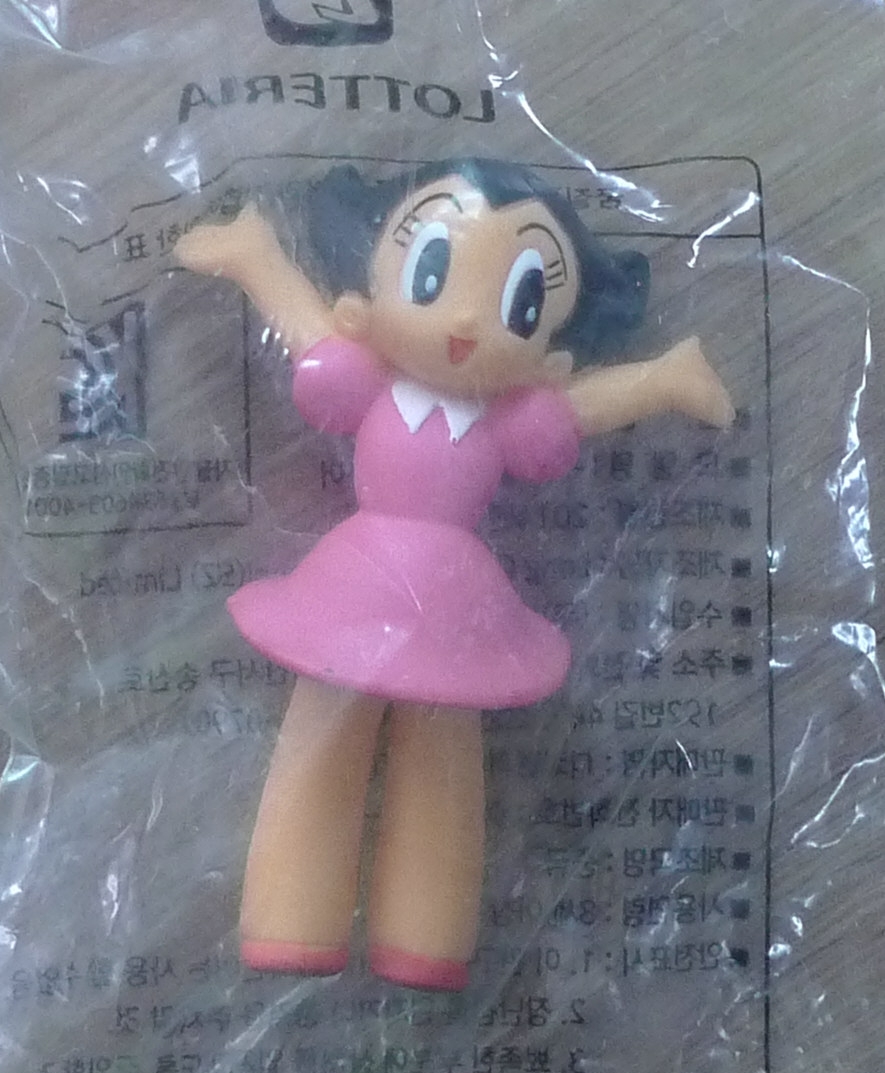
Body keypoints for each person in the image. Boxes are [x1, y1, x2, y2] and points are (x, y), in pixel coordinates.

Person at [176, 158, 732, 990]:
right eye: (431, 274)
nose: (467, 319)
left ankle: (425, 935)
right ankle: (291, 917)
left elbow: (581, 409)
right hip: (361, 577)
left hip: (454, 595)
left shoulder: (509, 415)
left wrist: (662, 380)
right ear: (370, 286)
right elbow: (309, 336)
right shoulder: (369, 378)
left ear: (548, 342)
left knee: (440, 754)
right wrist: (257, 258)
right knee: (325, 733)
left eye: (520, 302)